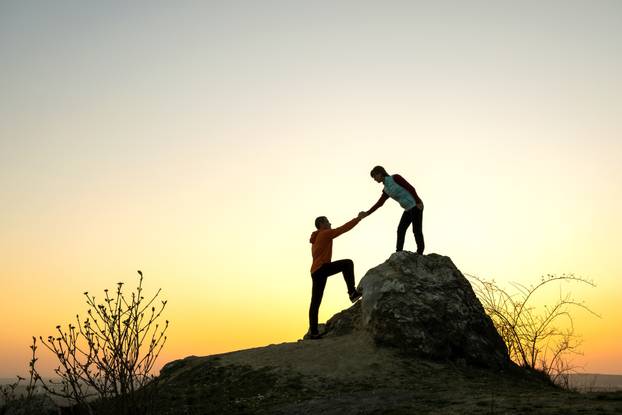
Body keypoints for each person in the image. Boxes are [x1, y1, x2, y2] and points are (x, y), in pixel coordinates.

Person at [308, 213, 365, 339]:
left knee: (315, 302)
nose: (330, 223)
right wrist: (358, 218)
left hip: (316, 271)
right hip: (321, 268)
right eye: (328, 221)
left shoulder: (316, 237)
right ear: (322, 224)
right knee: (347, 263)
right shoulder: (324, 233)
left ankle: (314, 332)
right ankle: (352, 293)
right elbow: (343, 229)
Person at [364, 165, 424, 254]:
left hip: (416, 205)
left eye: (375, 176)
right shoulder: (386, 189)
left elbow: (411, 188)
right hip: (407, 209)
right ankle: (398, 252)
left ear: (380, 173)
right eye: (373, 177)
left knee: (416, 230)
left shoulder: (395, 178)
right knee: (401, 229)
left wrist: (418, 201)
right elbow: (379, 204)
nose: (374, 179)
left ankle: (420, 252)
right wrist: (367, 213)